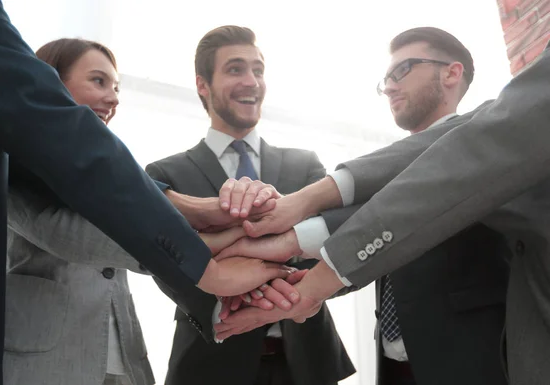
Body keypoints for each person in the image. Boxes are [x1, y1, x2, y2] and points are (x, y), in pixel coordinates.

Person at [0, 2, 286, 384]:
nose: (113, 97)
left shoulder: (133, 178)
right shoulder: (13, 164)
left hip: (123, 361)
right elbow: (65, 232)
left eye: (116, 86)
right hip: (45, 363)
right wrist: (210, 252)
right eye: (98, 81)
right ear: (51, 83)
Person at [214, 30, 550, 385]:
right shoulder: (377, 172)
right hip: (393, 366)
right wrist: (286, 267)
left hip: (474, 362)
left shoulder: (496, 151)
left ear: (451, 73)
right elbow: (366, 237)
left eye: (402, 70)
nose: (389, 87)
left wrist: (302, 252)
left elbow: (435, 188)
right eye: (385, 79)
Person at [145, 25, 354, 385]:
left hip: (308, 365)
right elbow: (166, 265)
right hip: (209, 364)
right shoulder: (165, 175)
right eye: (235, 69)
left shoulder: (305, 165)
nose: (252, 81)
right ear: (202, 85)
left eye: (258, 70)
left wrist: (250, 267)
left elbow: (337, 241)